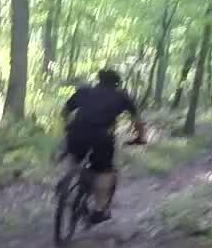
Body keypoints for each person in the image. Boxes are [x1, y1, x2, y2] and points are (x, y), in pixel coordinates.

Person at [61, 69, 147, 225]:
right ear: (117, 83)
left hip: (76, 131)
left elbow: (65, 111)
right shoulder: (121, 96)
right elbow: (137, 121)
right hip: (101, 136)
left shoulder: (85, 91)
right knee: (104, 171)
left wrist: (67, 126)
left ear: (98, 80)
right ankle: (100, 209)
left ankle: (67, 182)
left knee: (75, 156)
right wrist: (140, 138)